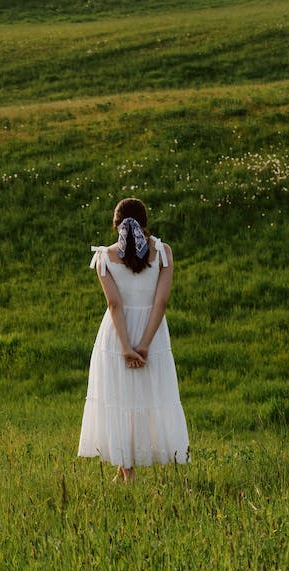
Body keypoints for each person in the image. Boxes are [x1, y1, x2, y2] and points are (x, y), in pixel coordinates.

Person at [77, 198, 190, 482]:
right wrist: (144, 345)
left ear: (116, 224)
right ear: (145, 223)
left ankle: (127, 470)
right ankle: (125, 469)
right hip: (151, 333)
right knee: (143, 397)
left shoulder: (105, 256)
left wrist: (126, 347)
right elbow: (161, 302)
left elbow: (114, 305)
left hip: (118, 334)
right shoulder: (163, 252)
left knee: (120, 397)